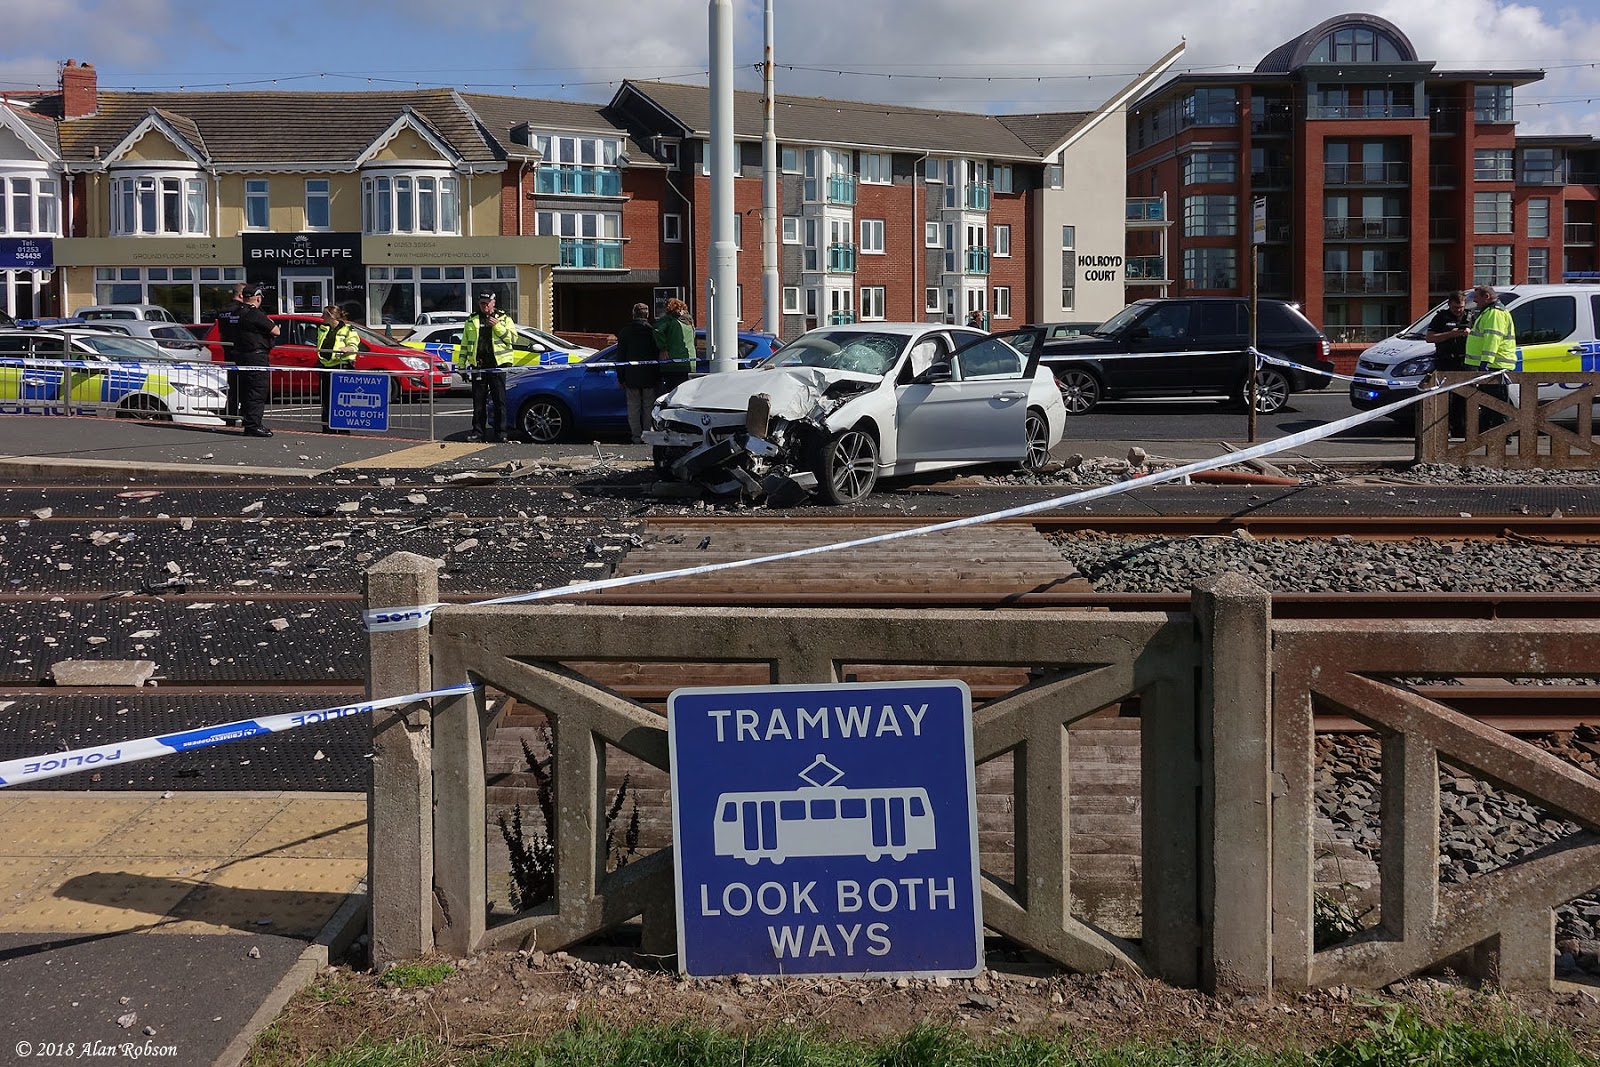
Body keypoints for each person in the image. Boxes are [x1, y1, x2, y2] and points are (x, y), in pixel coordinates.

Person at [459, 290, 517, 442]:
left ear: (493, 303)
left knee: (499, 401)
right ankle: (478, 432)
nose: (484, 306)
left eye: (487, 303)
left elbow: (512, 339)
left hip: (498, 365)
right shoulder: (472, 320)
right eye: (482, 303)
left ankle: (501, 433)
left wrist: (497, 327)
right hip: (479, 365)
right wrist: (461, 366)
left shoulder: (504, 319)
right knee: (478, 402)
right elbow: (465, 344)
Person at [1463, 284, 1516, 430]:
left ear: (1486, 297)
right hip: (1492, 365)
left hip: (1495, 365)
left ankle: (1502, 435)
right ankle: (1495, 435)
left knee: (1497, 404)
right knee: (1491, 403)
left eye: (1477, 298)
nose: (1475, 301)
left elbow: (1493, 338)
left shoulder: (1495, 313)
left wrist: (1486, 361)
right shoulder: (1489, 312)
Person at [231, 284, 279, 438]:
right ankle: (253, 425)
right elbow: (275, 331)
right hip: (256, 356)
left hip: (240, 355)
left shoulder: (236, 312)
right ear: (258, 298)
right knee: (257, 391)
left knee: (245, 391)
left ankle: (248, 422)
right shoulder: (255, 314)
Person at [616, 302, 663, 443]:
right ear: (647, 315)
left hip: (631, 376)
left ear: (633, 314)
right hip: (650, 375)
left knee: (633, 408)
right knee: (649, 406)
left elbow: (620, 356)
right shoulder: (652, 331)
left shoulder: (625, 332)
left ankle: (636, 436)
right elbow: (658, 353)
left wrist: (621, 377)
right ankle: (647, 435)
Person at [1425, 290, 1472, 435]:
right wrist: (1452, 334)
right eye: (1455, 308)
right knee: (1445, 398)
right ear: (1449, 305)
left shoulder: (1471, 316)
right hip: (1445, 361)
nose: (1458, 311)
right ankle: (1445, 430)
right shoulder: (1441, 317)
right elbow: (1430, 338)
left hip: (1465, 362)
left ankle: (1463, 430)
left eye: (1461, 307)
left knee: (1465, 397)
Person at [316, 303, 359, 435]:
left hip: (342, 367)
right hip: (326, 367)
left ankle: (343, 428)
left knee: (342, 401)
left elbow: (354, 345)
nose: (321, 317)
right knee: (325, 399)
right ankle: (327, 428)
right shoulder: (323, 328)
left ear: (331, 316)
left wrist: (347, 349)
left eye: (324, 314)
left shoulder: (348, 329)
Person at [216, 282, 249, 423]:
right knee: (246, 387)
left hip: (228, 352)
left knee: (232, 387)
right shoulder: (243, 310)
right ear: (241, 295)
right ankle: (246, 417)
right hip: (243, 351)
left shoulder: (223, 310)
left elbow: (221, 330)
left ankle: (230, 417)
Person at [653, 297, 695, 391]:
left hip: (672, 363)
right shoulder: (689, 321)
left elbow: (657, 329)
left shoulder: (670, 320)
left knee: (671, 392)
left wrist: (663, 348)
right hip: (690, 362)